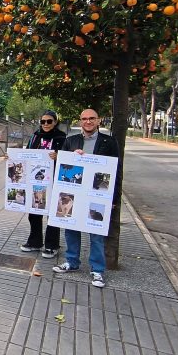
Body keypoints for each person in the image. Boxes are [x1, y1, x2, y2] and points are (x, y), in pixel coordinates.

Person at [52, 109, 120, 288]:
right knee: (71, 228)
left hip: (97, 194)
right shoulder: (71, 141)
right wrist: (70, 157)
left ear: (98, 120)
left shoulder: (109, 142)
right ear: (80, 121)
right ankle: (72, 261)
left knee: (96, 233)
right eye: (84, 119)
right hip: (74, 192)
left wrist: (114, 198)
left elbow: (116, 171)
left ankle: (97, 269)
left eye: (91, 118)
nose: (88, 121)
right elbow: (62, 167)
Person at [20, 110, 66, 259]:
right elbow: (27, 154)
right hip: (36, 180)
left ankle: (52, 245)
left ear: (55, 122)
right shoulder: (35, 136)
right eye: (43, 121)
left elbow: (69, 158)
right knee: (35, 211)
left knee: (52, 214)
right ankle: (35, 242)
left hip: (54, 181)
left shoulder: (62, 137)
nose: (45, 124)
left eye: (49, 121)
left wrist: (59, 156)